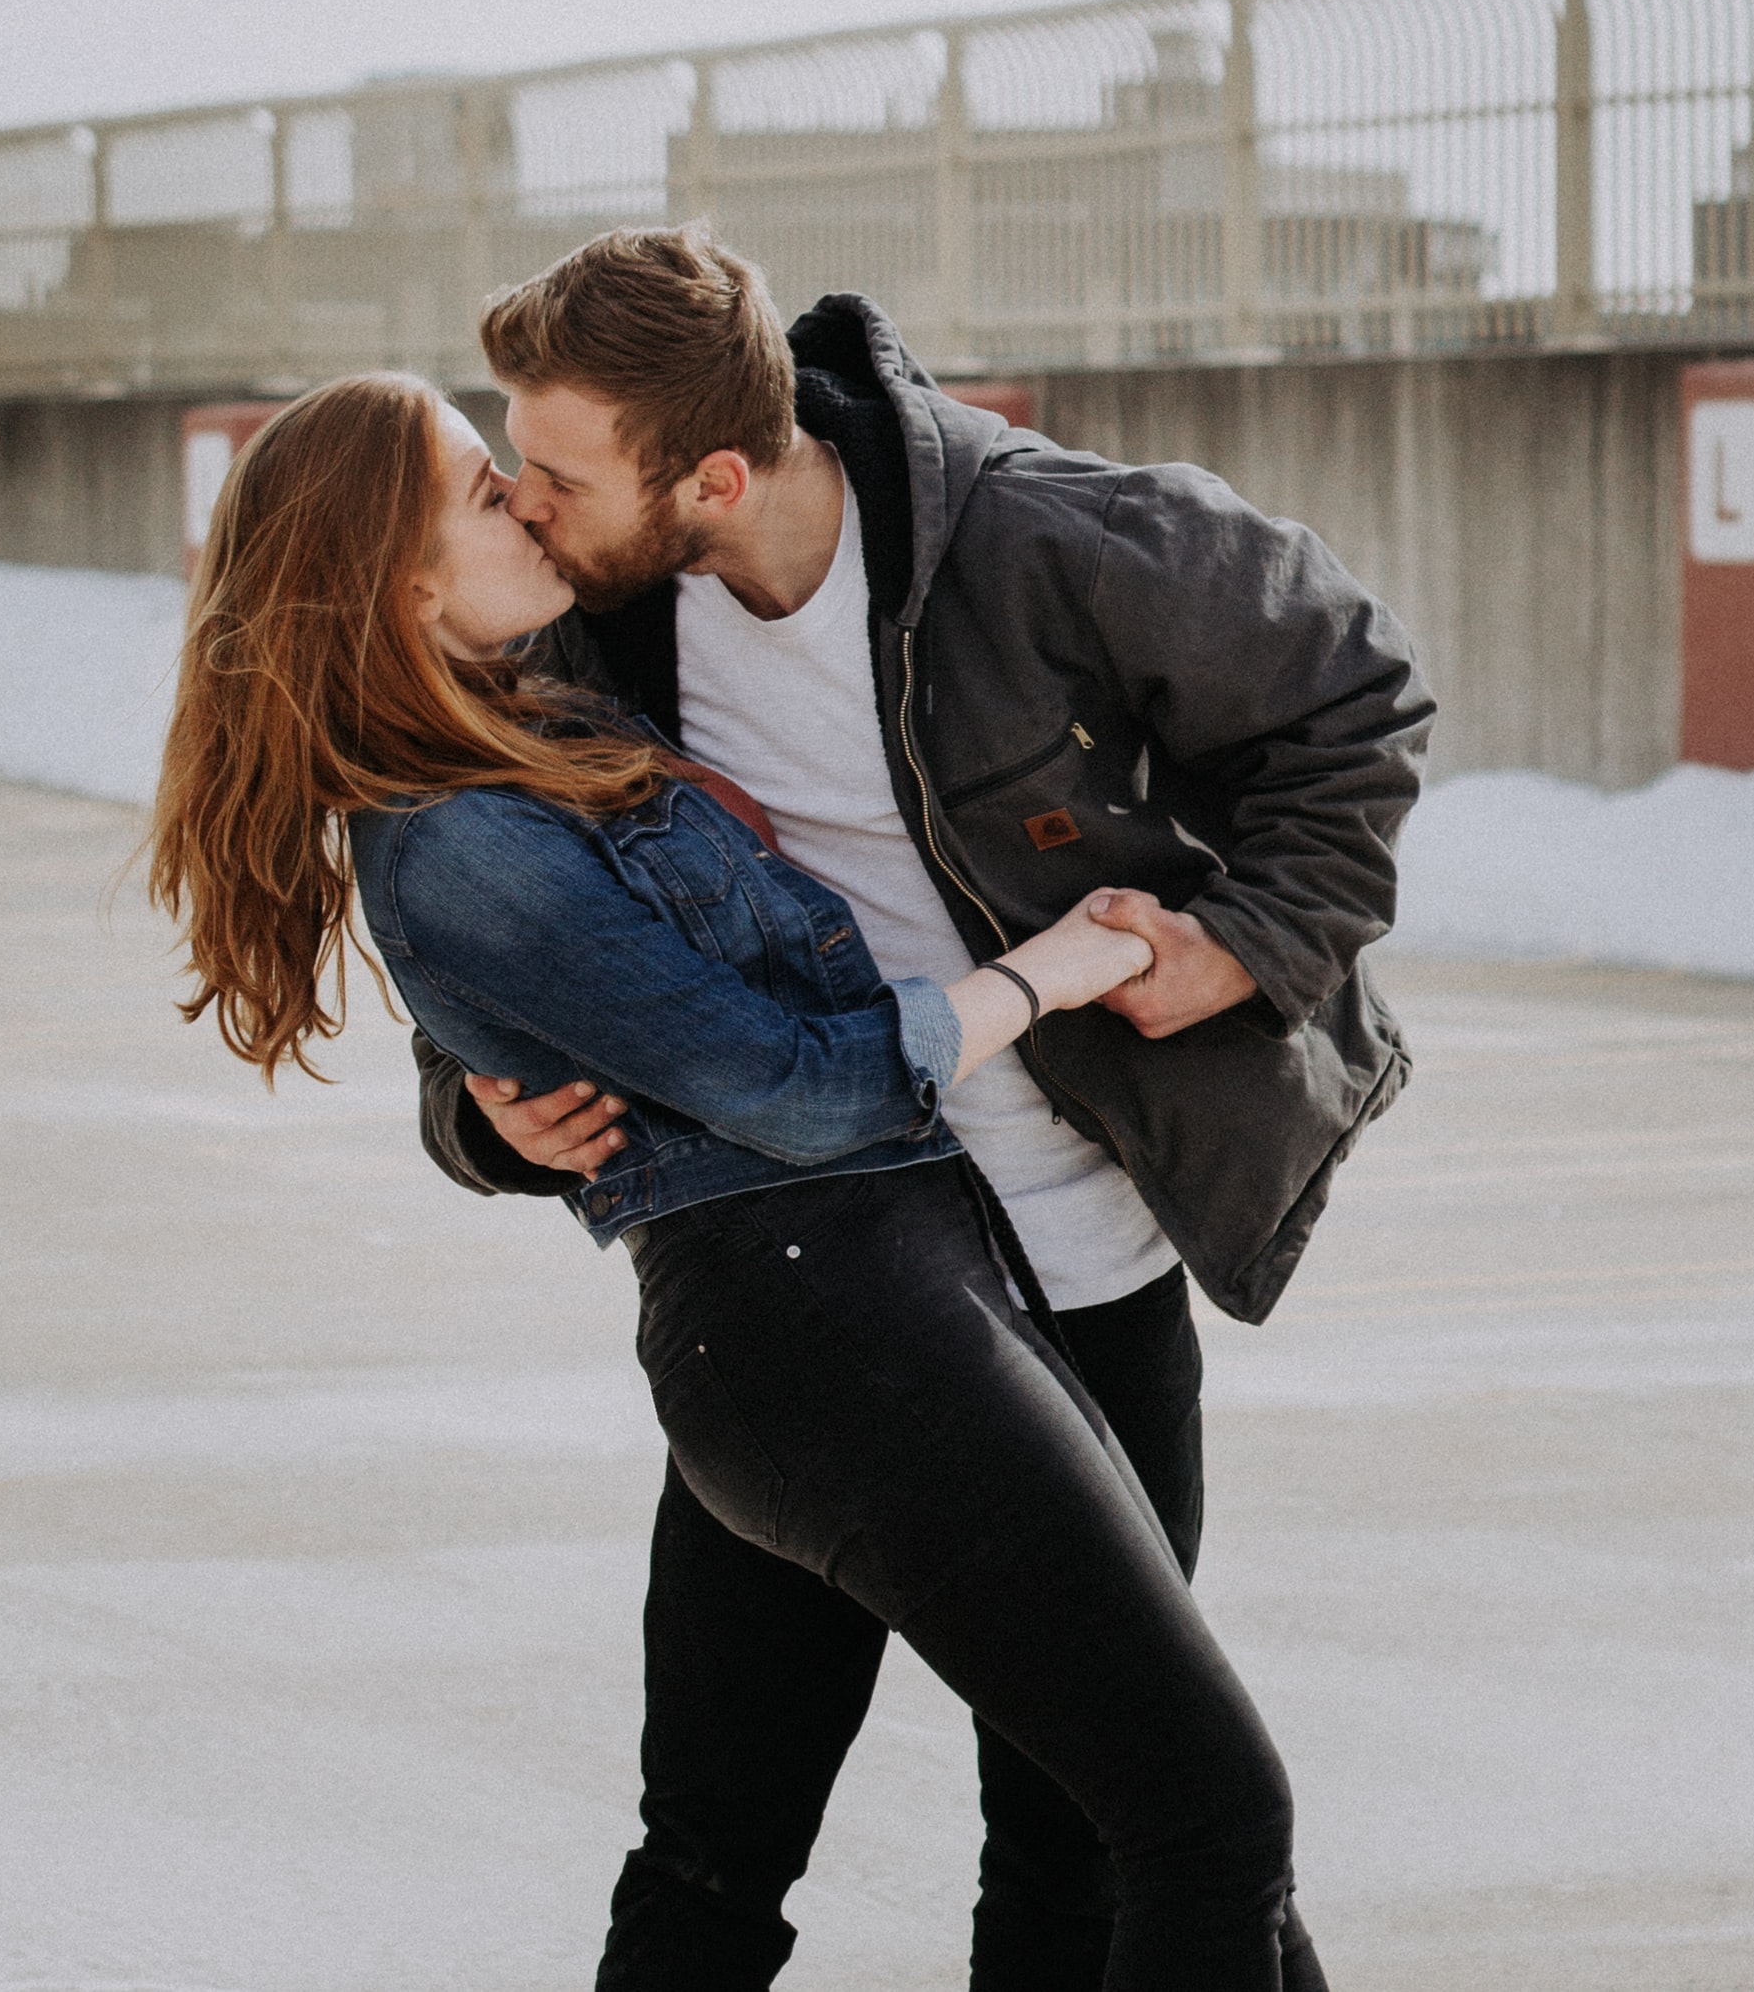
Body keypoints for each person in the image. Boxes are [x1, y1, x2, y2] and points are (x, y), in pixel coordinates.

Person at [147, 368, 1326, 1991]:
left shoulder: (544, 703)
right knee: (1200, 1824)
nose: (530, 501)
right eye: (488, 490)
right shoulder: (459, 830)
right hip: (831, 1321)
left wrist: (497, 1114)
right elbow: (793, 1083)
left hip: (886, 1301)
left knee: (834, 1851)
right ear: (397, 583)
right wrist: (1048, 973)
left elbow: (607, 1008)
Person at [415, 225, 1434, 1991]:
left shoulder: (1043, 538)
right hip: (818, 1289)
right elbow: (508, 922)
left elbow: (1353, 702)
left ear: (711, 476)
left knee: (1079, 1843)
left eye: (558, 472)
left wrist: (1243, 943)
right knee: (716, 1838)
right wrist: (477, 1119)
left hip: (1086, 1272)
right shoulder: (591, 627)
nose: (523, 500)